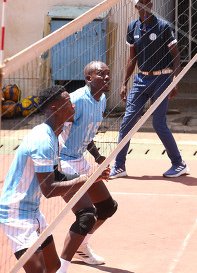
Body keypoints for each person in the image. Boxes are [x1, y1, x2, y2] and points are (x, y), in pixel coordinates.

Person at [0, 85, 109, 273]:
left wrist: (91, 179)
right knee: (39, 270)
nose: (74, 106)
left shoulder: (54, 136)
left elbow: (55, 175)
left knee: (54, 266)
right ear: (54, 109)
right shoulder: (43, 140)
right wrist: (87, 179)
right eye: (68, 103)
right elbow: (49, 190)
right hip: (16, 215)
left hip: (32, 211)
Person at [110, 0, 189, 179]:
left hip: (162, 78)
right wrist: (124, 83)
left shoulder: (163, 26)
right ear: (136, 6)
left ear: (151, 5)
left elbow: (176, 56)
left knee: (158, 122)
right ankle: (119, 166)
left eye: (147, 2)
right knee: (127, 122)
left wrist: (175, 80)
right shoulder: (132, 27)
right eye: (141, 2)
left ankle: (178, 164)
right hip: (141, 79)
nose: (144, 5)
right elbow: (132, 59)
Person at [58, 61, 117, 265]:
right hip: (62, 161)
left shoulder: (101, 100)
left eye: (108, 74)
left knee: (107, 207)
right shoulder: (76, 100)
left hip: (79, 159)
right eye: (101, 74)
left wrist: (98, 157)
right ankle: (61, 267)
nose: (107, 77)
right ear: (89, 78)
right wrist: (52, 164)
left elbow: (86, 132)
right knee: (86, 216)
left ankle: (81, 248)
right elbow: (54, 130)